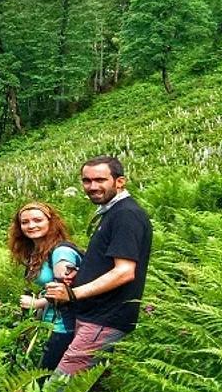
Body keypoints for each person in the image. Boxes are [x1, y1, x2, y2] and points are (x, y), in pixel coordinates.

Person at [45, 156, 152, 376]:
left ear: (120, 181)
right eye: (87, 180)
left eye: (100, 180)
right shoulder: (112, 213)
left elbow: (124, 272)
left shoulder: (126, 215)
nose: (92, 187)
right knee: (87, 390)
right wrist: (80, 274)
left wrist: (72, 294)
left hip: (104, 319)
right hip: (94, 316)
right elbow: (110, 263)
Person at [9, 202, 82, 370]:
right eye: (25, 222)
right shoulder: (37, 252)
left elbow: (64, 292)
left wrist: (36, 303)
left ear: (51, 222)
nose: (31, 225)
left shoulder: (60, 253)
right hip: (49, 324)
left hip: (63, 326)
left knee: (50, 380)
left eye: (37, 220)